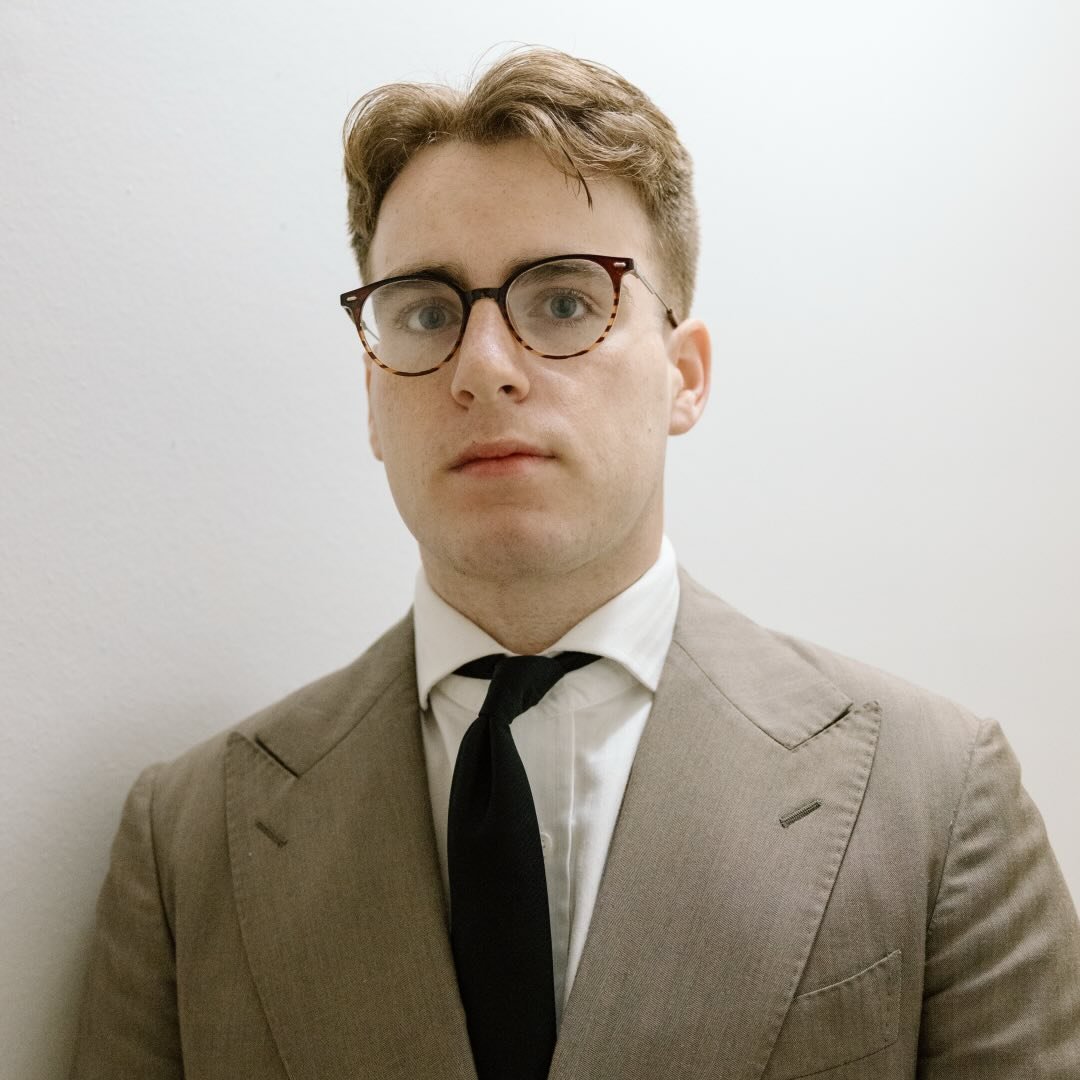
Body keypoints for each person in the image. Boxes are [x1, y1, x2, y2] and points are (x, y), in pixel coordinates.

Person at [71, 47, 1080, 1080]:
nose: (483, 369)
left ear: (684, 376)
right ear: (373, 397)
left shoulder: (938, 799)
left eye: (562, 301)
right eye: (426, 313)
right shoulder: (186, 839)